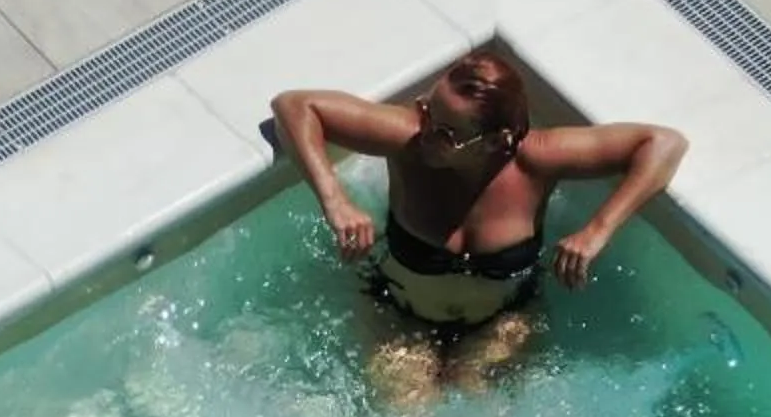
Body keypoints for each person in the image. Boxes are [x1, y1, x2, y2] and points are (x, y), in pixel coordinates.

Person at [269, 54, 688, 399]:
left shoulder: (537, 159)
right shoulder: (408, 138)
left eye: (447, 133)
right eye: (429, 112)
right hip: (397, 317)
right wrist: (335, 199)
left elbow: (665, 144)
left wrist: (598, 229)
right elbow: (293, 106)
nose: (427, 134)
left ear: (496, 140)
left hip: (503, 322)